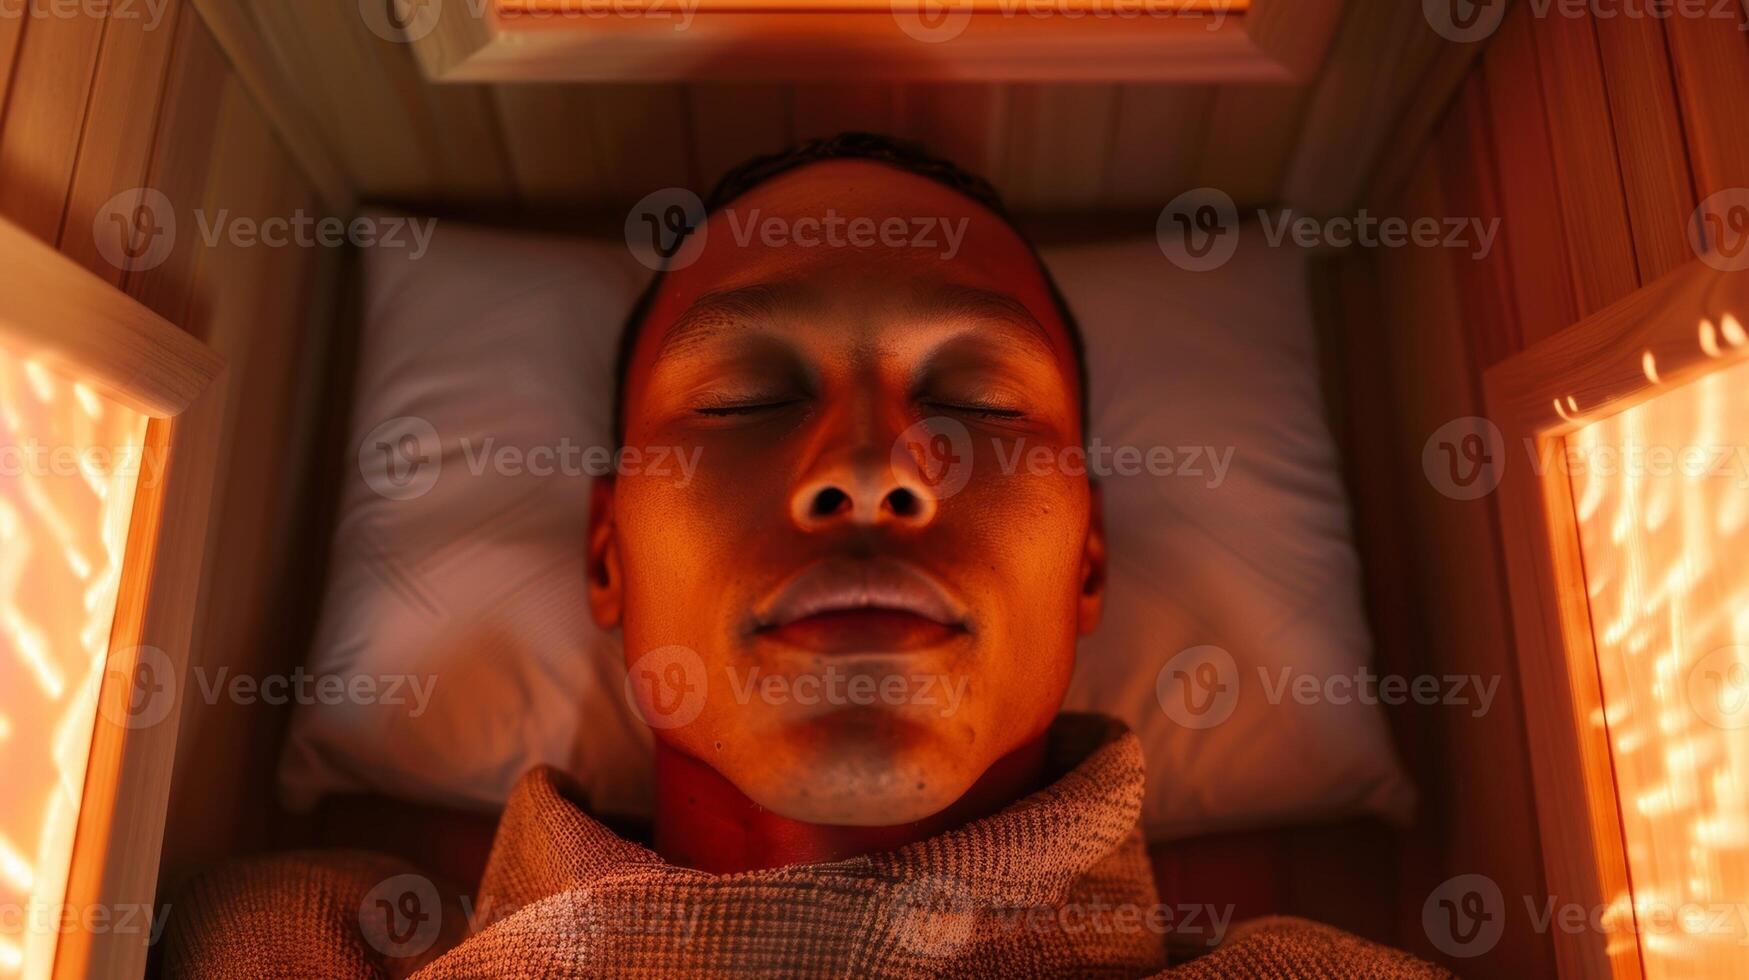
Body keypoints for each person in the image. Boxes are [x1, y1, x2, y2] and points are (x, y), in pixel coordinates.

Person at [164, 134, 1444, 978]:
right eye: (745, 396)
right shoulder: (273, 954)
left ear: (1090, 558)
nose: (878, 461)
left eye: (979, 400)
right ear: (607, 554)